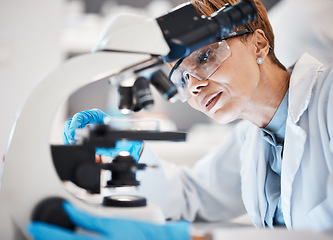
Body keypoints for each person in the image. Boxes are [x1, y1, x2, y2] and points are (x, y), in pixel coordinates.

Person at [28, 0, 333, 239]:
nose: (195, 85)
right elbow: (193, 197)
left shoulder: (328, 99)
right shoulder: (251, 137)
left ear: (259, 43)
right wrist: (131, 155)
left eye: (205, 57)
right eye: (183, 77)